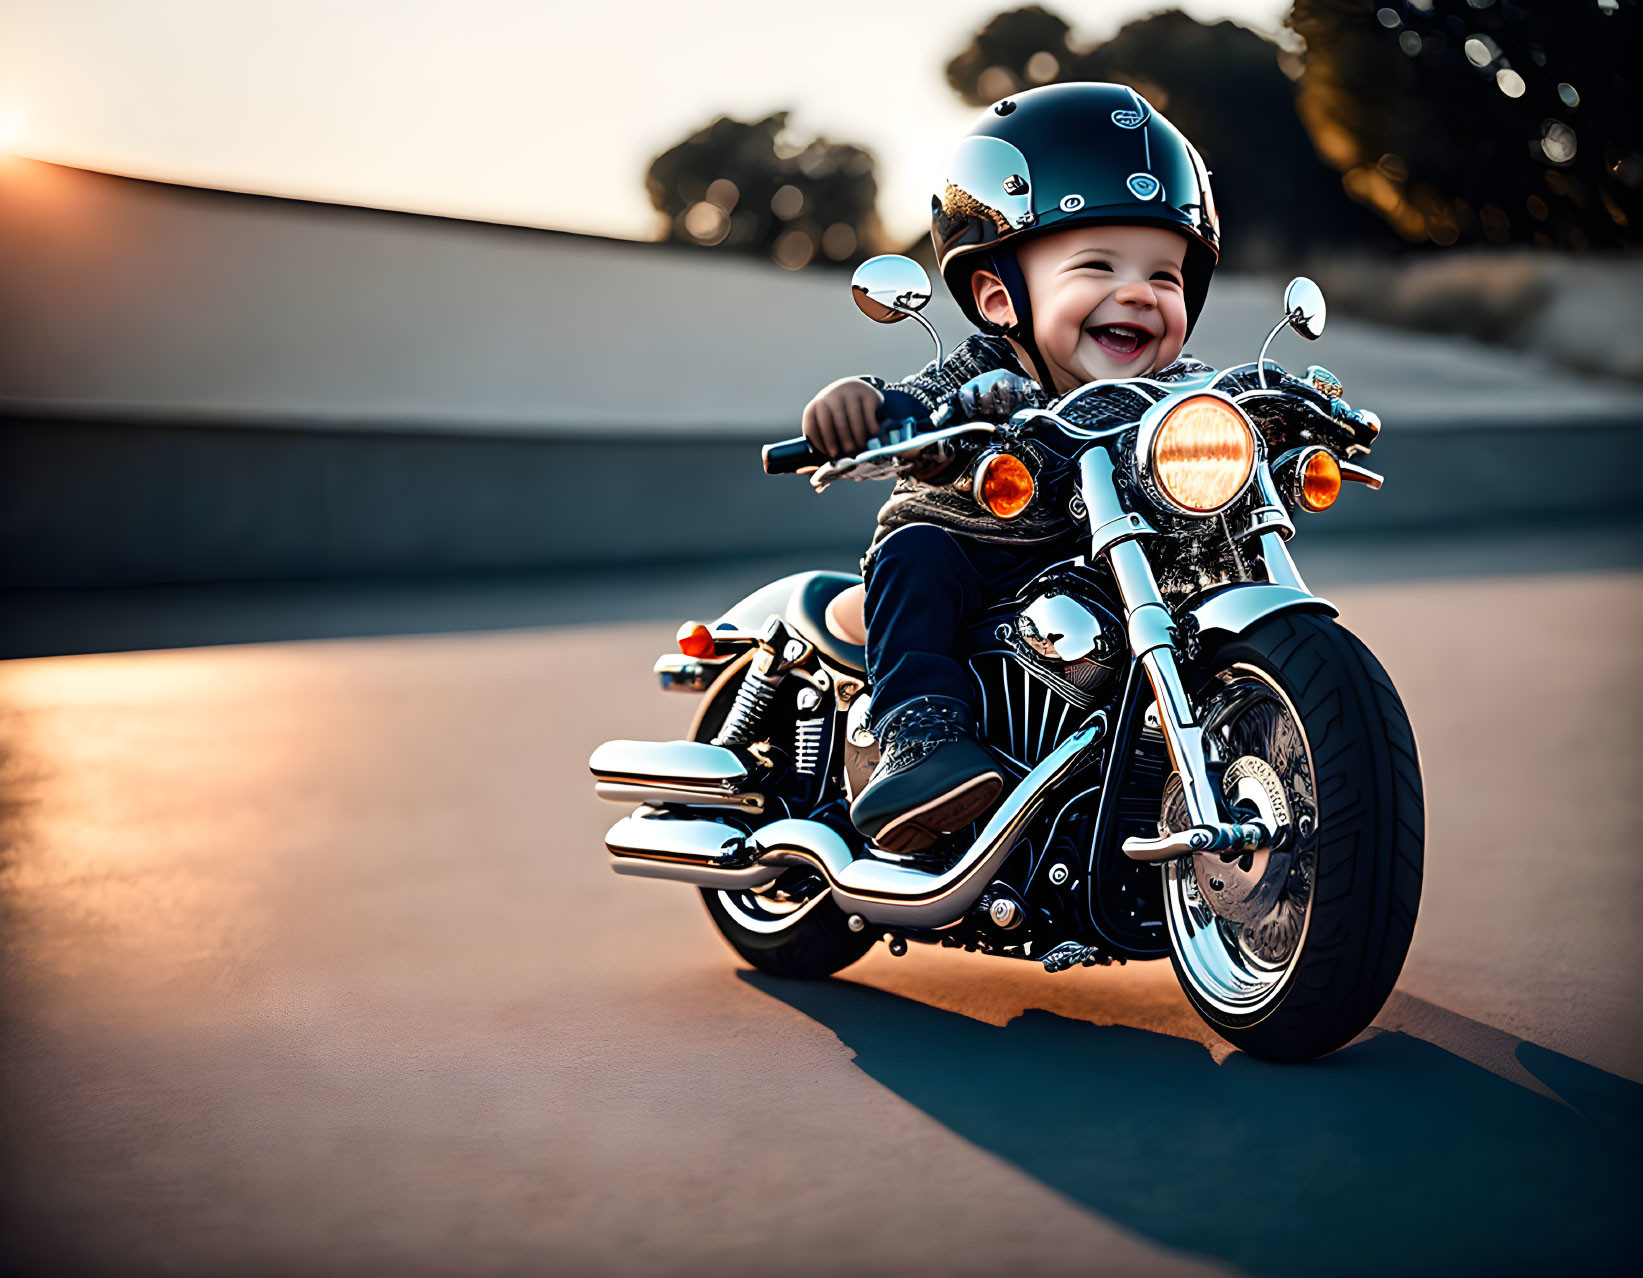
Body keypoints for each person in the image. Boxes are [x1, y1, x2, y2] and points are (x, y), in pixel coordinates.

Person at [799, 82, 1222, 855]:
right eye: (1096, 265)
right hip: (979, 553)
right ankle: (920, 736)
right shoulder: (981, 368)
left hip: (1107, 566)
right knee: (917, 552)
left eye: (1165, 276)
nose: (1138, 292)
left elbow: (1225, 400)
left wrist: (1296, 405)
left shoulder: (1179, 388)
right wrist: (864, 404)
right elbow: (912, 397)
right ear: (999, 297)